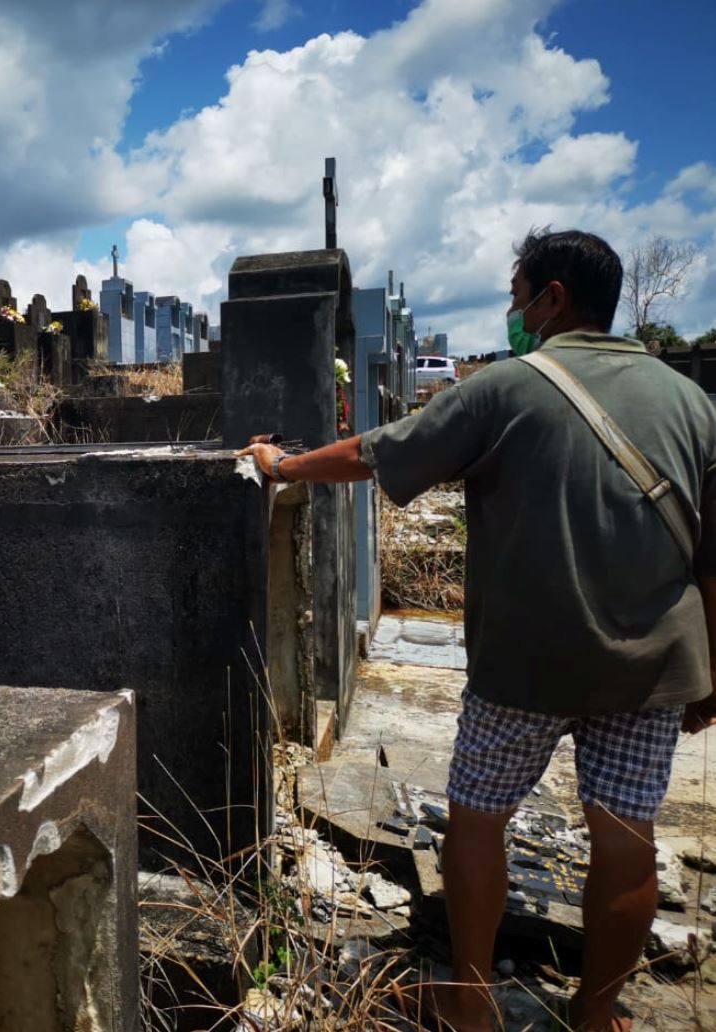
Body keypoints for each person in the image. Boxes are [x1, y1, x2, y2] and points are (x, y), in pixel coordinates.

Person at [246, 228, 716, 1032]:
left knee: (477, 818)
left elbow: (382, 450)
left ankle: (471, 1001)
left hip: (525, 663)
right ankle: (598, 1016)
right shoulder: (691, 401)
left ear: (554, 298)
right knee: (625, 833)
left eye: (517, 293)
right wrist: (711, 676)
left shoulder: (509, 386)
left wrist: (283, 466)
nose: (511, 310)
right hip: (651, 666)